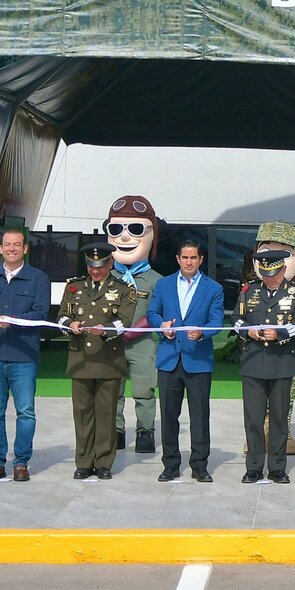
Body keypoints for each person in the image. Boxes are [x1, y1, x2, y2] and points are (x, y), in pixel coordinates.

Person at [0, 227, 50, 482]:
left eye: (17, 245)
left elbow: (41, 313)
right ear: (1, 249)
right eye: (7, 245)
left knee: (25, 413)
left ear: (25, 249)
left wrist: (13, 320)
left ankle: (21, 463)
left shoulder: (38, 279)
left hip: (23, 357)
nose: (12, 249)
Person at [148, 237, 225, 483]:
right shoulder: (163, 285)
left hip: (198, 360)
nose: (188, 262)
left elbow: (217, 321)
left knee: (199, 416)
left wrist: (202, 332)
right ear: (178, 259)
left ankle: (199, 465)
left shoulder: (214, 288)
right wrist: (162, 326)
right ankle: (170, 465)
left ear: (201, 259)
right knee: (169, 415)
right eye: (185, 257)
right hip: (169, 358)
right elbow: (152, 313)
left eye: (193, 257)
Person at [235, 246, 295, 483]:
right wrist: (249, 332)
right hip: (254, 361)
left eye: (274, 274)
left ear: (283, 270)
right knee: (253, 419)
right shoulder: (249, 290)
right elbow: (236, 320)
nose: (269, 279)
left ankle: (277, 467)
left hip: (281, 362)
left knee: (279, 418)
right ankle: (254, 467)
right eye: (265, 274)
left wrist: (278, 333)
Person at [62, 242, 138, 481]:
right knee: (82, 414)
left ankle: (104, 462)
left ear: (110, 263)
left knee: (106, 414)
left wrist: (104, 330)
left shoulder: (124, 289)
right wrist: (70, 325)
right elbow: (62, 316)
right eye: (91, 266)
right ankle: (84, 461)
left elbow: (125, 320)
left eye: (101, 266)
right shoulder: (74, 287)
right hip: (80, 359)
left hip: (108, 359)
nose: (95, 270)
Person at [106, 194, 163, 454]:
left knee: (144, 389)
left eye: (137, 229)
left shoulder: (157, 280)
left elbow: (158, 310)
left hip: (142, 343)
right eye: (116, 229)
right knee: (112, 388)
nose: (125, 237)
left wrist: (137, 328)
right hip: (111, 343)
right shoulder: (106, 277)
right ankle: (116, 430)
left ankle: (145, 431)